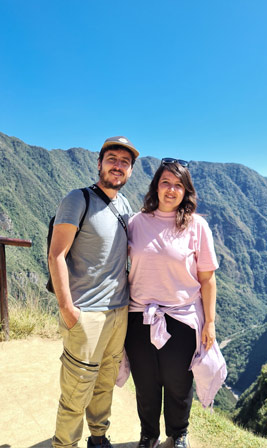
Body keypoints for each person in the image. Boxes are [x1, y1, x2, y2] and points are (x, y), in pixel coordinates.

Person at [122, 158, 226, 448]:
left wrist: (211, 322)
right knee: (145, 383)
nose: (171, 189)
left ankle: (178, 433)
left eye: (178, 185)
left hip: (182, 319)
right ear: (156, 186)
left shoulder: (197, 227)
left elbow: (208, 279)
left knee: (179, 384)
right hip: (139, 317)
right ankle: (149, 434)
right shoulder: (135, 223)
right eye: (166, 182)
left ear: (186, 191)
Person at [49, 136, 138, 448]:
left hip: (119, 311)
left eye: (124, 162)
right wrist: (68, 311)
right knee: (77, 388)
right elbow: (56, 255)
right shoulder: (77, 200)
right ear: (99, 164)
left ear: (130, 171)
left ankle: (98, 436)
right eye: (112, 158)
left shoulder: (124, 205)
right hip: (86, 312)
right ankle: (65, 443)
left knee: (105, 381)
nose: (118, 166)